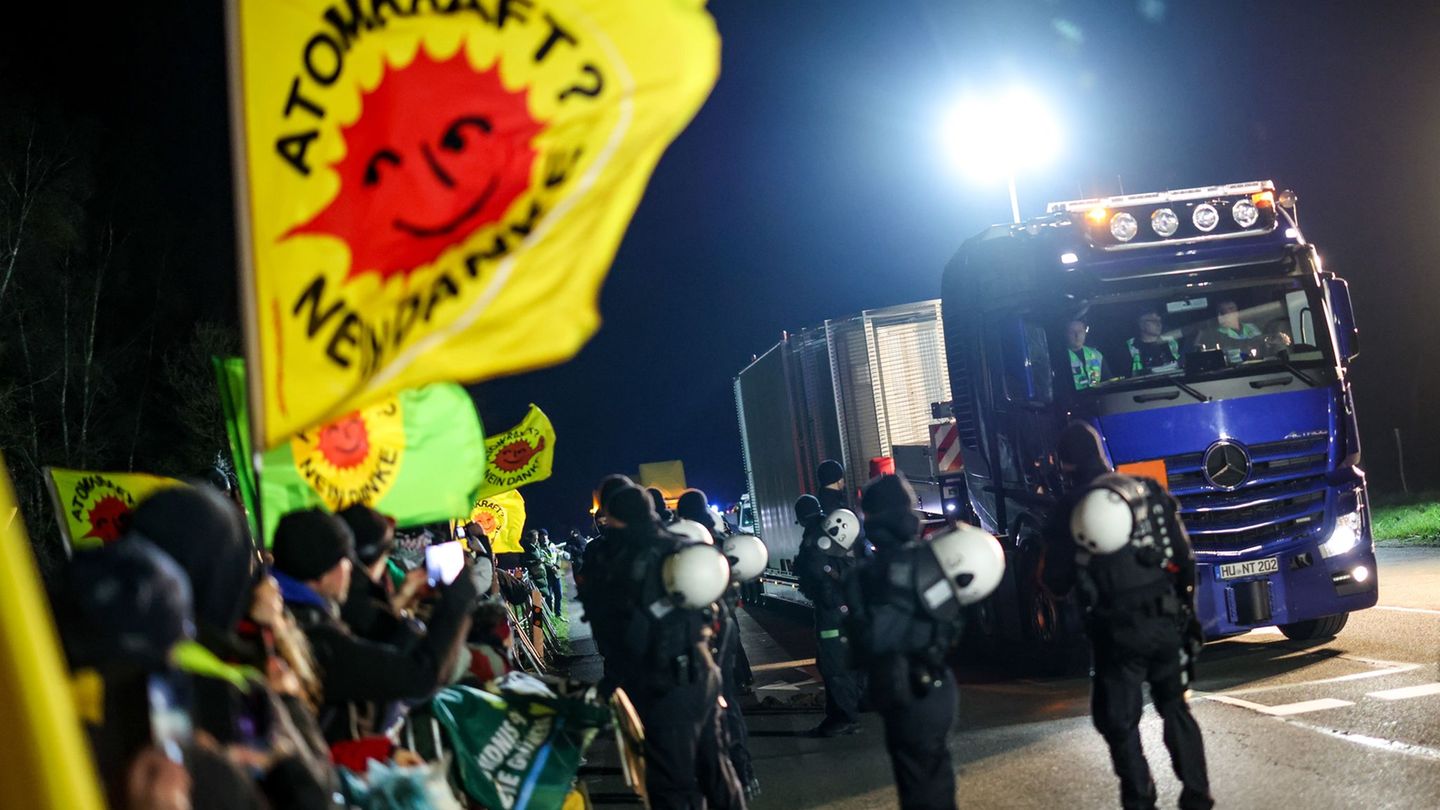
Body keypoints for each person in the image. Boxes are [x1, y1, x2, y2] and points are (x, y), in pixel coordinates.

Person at [1042, 423, 1213, 810]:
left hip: (1116, 634)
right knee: (1175, 706)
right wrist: (1187, 615)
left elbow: (1057, 580)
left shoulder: (1071, 509)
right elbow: (1184, 558)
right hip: (1167, 621)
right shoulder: (1149, 491)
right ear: (1101, 452)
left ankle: (1140, 797)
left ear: (1064, 464)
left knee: (1117, 719)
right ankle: (1198, 794)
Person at [269, 509, 477, 743]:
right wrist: (458, 599)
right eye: (346, 561)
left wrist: (400, 602)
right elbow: (419, 677)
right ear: (325, 574)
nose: (351, 570)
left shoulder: (281, 606)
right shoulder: (314, 636)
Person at [602, 484, 745, 810]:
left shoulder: (632, 560)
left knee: (673, 784)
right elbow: (720, 606)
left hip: (667, 683)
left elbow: (633, 634)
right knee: (716, 766)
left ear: (618, 518)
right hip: (703, 670)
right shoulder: (680, 545)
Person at [844, 475, 961, 810]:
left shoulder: (864, 577)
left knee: (918, 788)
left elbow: (861, 645)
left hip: (899, 690)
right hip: (938, 687)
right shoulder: (933, 559)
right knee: (936, 777)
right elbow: (955, 622)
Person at [678, 488, 758, 797]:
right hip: (722, 622)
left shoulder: (678, 544)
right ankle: (743, 773)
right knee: (728, 700)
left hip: (695, 631)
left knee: (706, 706)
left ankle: (719, 777)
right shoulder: (718, 537)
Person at [793, 494, 865, 738]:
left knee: (833, 664)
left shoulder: (816, 540)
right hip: (848, 609)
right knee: (848, 661)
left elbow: (812, 572)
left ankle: (844, 717)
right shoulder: (840, 536)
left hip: (831, 612)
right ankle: (851, 708)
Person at [1127, 310, 1180, 374]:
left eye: (1160, 321)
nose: (1159, 324)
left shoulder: (1171, 341)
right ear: (1141, 324)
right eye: (1153, 321)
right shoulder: (1129, 346)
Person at [1067, 318, 1110, 390]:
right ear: (1066, 334)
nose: (1077, 335)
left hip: (1098, 396)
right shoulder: (1061, 357)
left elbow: (1108, 380)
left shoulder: (1097, 355)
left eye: (1080, 331)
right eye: (1072, 332)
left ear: (1085, 333)